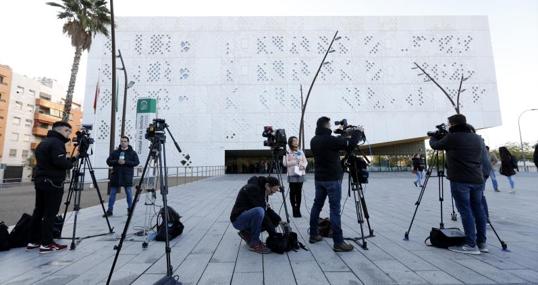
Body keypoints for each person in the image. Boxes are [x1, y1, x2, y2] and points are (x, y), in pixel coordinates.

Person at [429, 114, 487, 255]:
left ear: (453, 124)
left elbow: (435, 145)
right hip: (477, 179)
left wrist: (433, 137)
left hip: (460, 180)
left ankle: (470, 244)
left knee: (465, 211)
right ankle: (482, 243)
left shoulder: (453, 137)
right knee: (478, 210)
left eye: (449, 124)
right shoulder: (477, 138)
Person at [309, 116, 361, 252]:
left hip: (319, 179)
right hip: (332, 179)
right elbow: (349, 145)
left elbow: (338, 143)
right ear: (327, 126)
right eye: (330, 125)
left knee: (317, 205)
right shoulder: (330, 140)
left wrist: (343, 134)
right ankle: (338, 242)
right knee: (334, 210)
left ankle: (313, 234)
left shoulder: (314, 140)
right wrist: (357, 132)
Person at [27, 121, 75, 253]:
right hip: (53, 182)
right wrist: (71, 162)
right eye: (67, 131)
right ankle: (47, 243)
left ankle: (33, 241)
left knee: (39, 211)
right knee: (50, 213)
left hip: (41, 180)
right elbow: (60, 162)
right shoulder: (56, 143)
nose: (68, 134)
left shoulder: (44, 142)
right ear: (59, 130)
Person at [230, 176, 281, 254]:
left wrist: (279, 220)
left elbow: (267, 209)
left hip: (246, 217)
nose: (273, 194)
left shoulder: (263, 190)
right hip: (238, 220)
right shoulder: (254, 190)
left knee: (274, 220)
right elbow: (263, 212)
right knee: (259, 211)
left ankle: (246, 233)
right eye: (273, 191)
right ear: (267, 186)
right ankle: (254, 243)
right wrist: (273, 234)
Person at [104, 136, 140, 217]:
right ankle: (110, 210)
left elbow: (136, 162)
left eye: (125, 141)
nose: (123, 142)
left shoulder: (132, 152)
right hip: (116, 176)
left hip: (127, 176)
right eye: (122, 141)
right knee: (112, 194)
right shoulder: (115, 152)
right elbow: (108, 161)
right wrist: (117, 161)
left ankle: (130, 210)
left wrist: (125, 162)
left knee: (129, 194)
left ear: (128, 142)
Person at [282, 136, 308, 218]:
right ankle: (294, 209)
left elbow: (305, 161)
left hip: (300, 173)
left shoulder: (300, 151)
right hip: (292, 174)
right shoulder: (287, 152)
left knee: (299, 192)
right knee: (293, 192)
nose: (296, 142)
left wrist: (303, 166)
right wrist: (295, 161)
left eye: (297, 141)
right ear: (290, 142)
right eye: (294, 141)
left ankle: (298, 210)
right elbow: (285, 163)